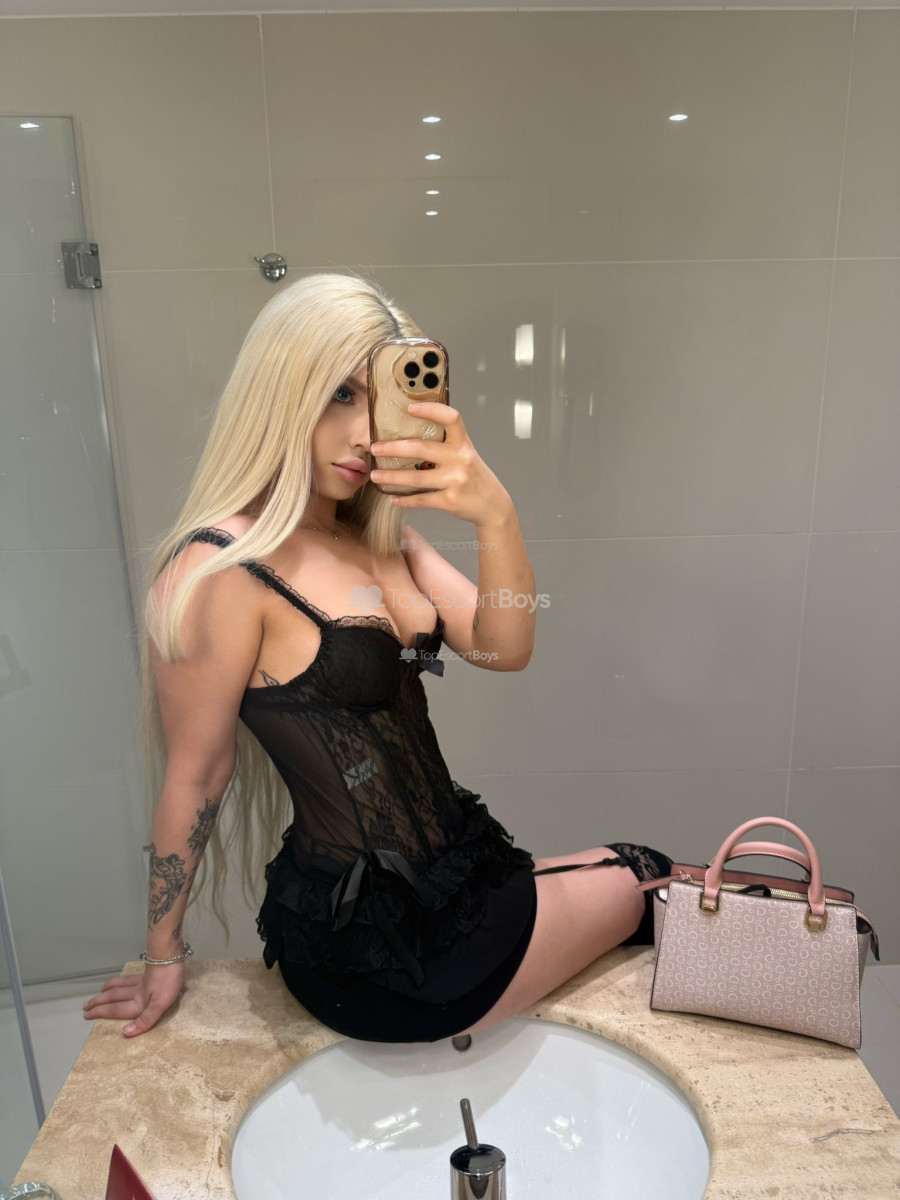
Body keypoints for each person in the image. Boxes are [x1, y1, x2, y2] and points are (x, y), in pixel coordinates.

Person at [83, 271, 672, 1044]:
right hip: (385, 955)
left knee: (642, 870)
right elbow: (196, 775)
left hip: (454, 884)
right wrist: (162, 954)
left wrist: (495, 514)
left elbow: (505, 645)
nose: (364, 433)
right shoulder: (220, 567)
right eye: (339, 394)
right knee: (649, 873)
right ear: (280, 390)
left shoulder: (378, 534)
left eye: (379, 398)